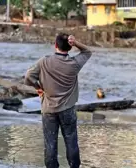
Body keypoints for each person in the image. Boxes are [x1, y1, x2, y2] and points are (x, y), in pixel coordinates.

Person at [24, 33, 92, 168]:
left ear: (55, 45)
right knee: (71, 141)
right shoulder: (74, 63)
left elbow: (28, 77)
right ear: (70, 47)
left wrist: (38, 88)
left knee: (50, 143)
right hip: (68, 110)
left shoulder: (44, 61)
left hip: (48, 109)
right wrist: (76, 42)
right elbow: (88, 51)